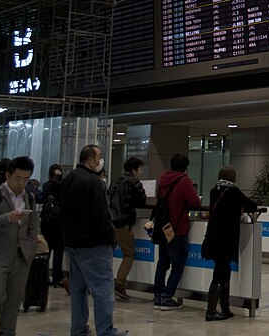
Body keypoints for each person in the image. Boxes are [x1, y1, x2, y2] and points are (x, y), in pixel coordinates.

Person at [62, 144, 129, 336]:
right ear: (89, 160)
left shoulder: (69, 179)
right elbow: (102, 215)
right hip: (94, 244)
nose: (101, 160)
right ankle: (106, 330)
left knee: (78, 291)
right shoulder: (94, 181)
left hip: (73, 242)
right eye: (99, 156)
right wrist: (110, 238)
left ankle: (79, 328)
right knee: (102, 290)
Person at [0, 156, 38, 336]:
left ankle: (8, 332)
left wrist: (31, 246)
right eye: (18, 178)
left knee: (14, 299)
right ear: (8, 176)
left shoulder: (30, 197)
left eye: (26, 179)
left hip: (22, 256)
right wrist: (7, 218)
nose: (21, 183)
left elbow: (33, 225)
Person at [201, 165, 257, 321]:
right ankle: (211, 310)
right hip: (226, 238)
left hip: (213, 236)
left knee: (223, 271)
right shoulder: (233, 192)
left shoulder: (214, 191)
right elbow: (251, 206)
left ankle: (225, 307)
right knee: (220, 273)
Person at [152, 153, 201, 310]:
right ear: (185, 168)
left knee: (162, 263)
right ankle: (167, 297)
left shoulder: (163, 180)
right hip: (178, 230)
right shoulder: (184, 181)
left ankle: (158, 296)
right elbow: (195, 202)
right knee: (178, 266)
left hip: (164, 228)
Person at [109, 157, 148, 301]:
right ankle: (120, 284)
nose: (141, 171)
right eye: (140, 168)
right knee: (129, 254)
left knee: (108, 254)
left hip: (111, 221)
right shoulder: (134, 181)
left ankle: (105, 283)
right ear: (134, 169)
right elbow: (142, 199)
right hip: (124, 222)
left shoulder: (116, 181)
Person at [39, 163, 66, 291]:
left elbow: (43, 198)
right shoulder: (62, 186)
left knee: (46, 251)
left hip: (46, 221)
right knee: (58, 252)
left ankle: (43, 277)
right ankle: (57, 278)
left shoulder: (46, 185)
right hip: (59, 223)